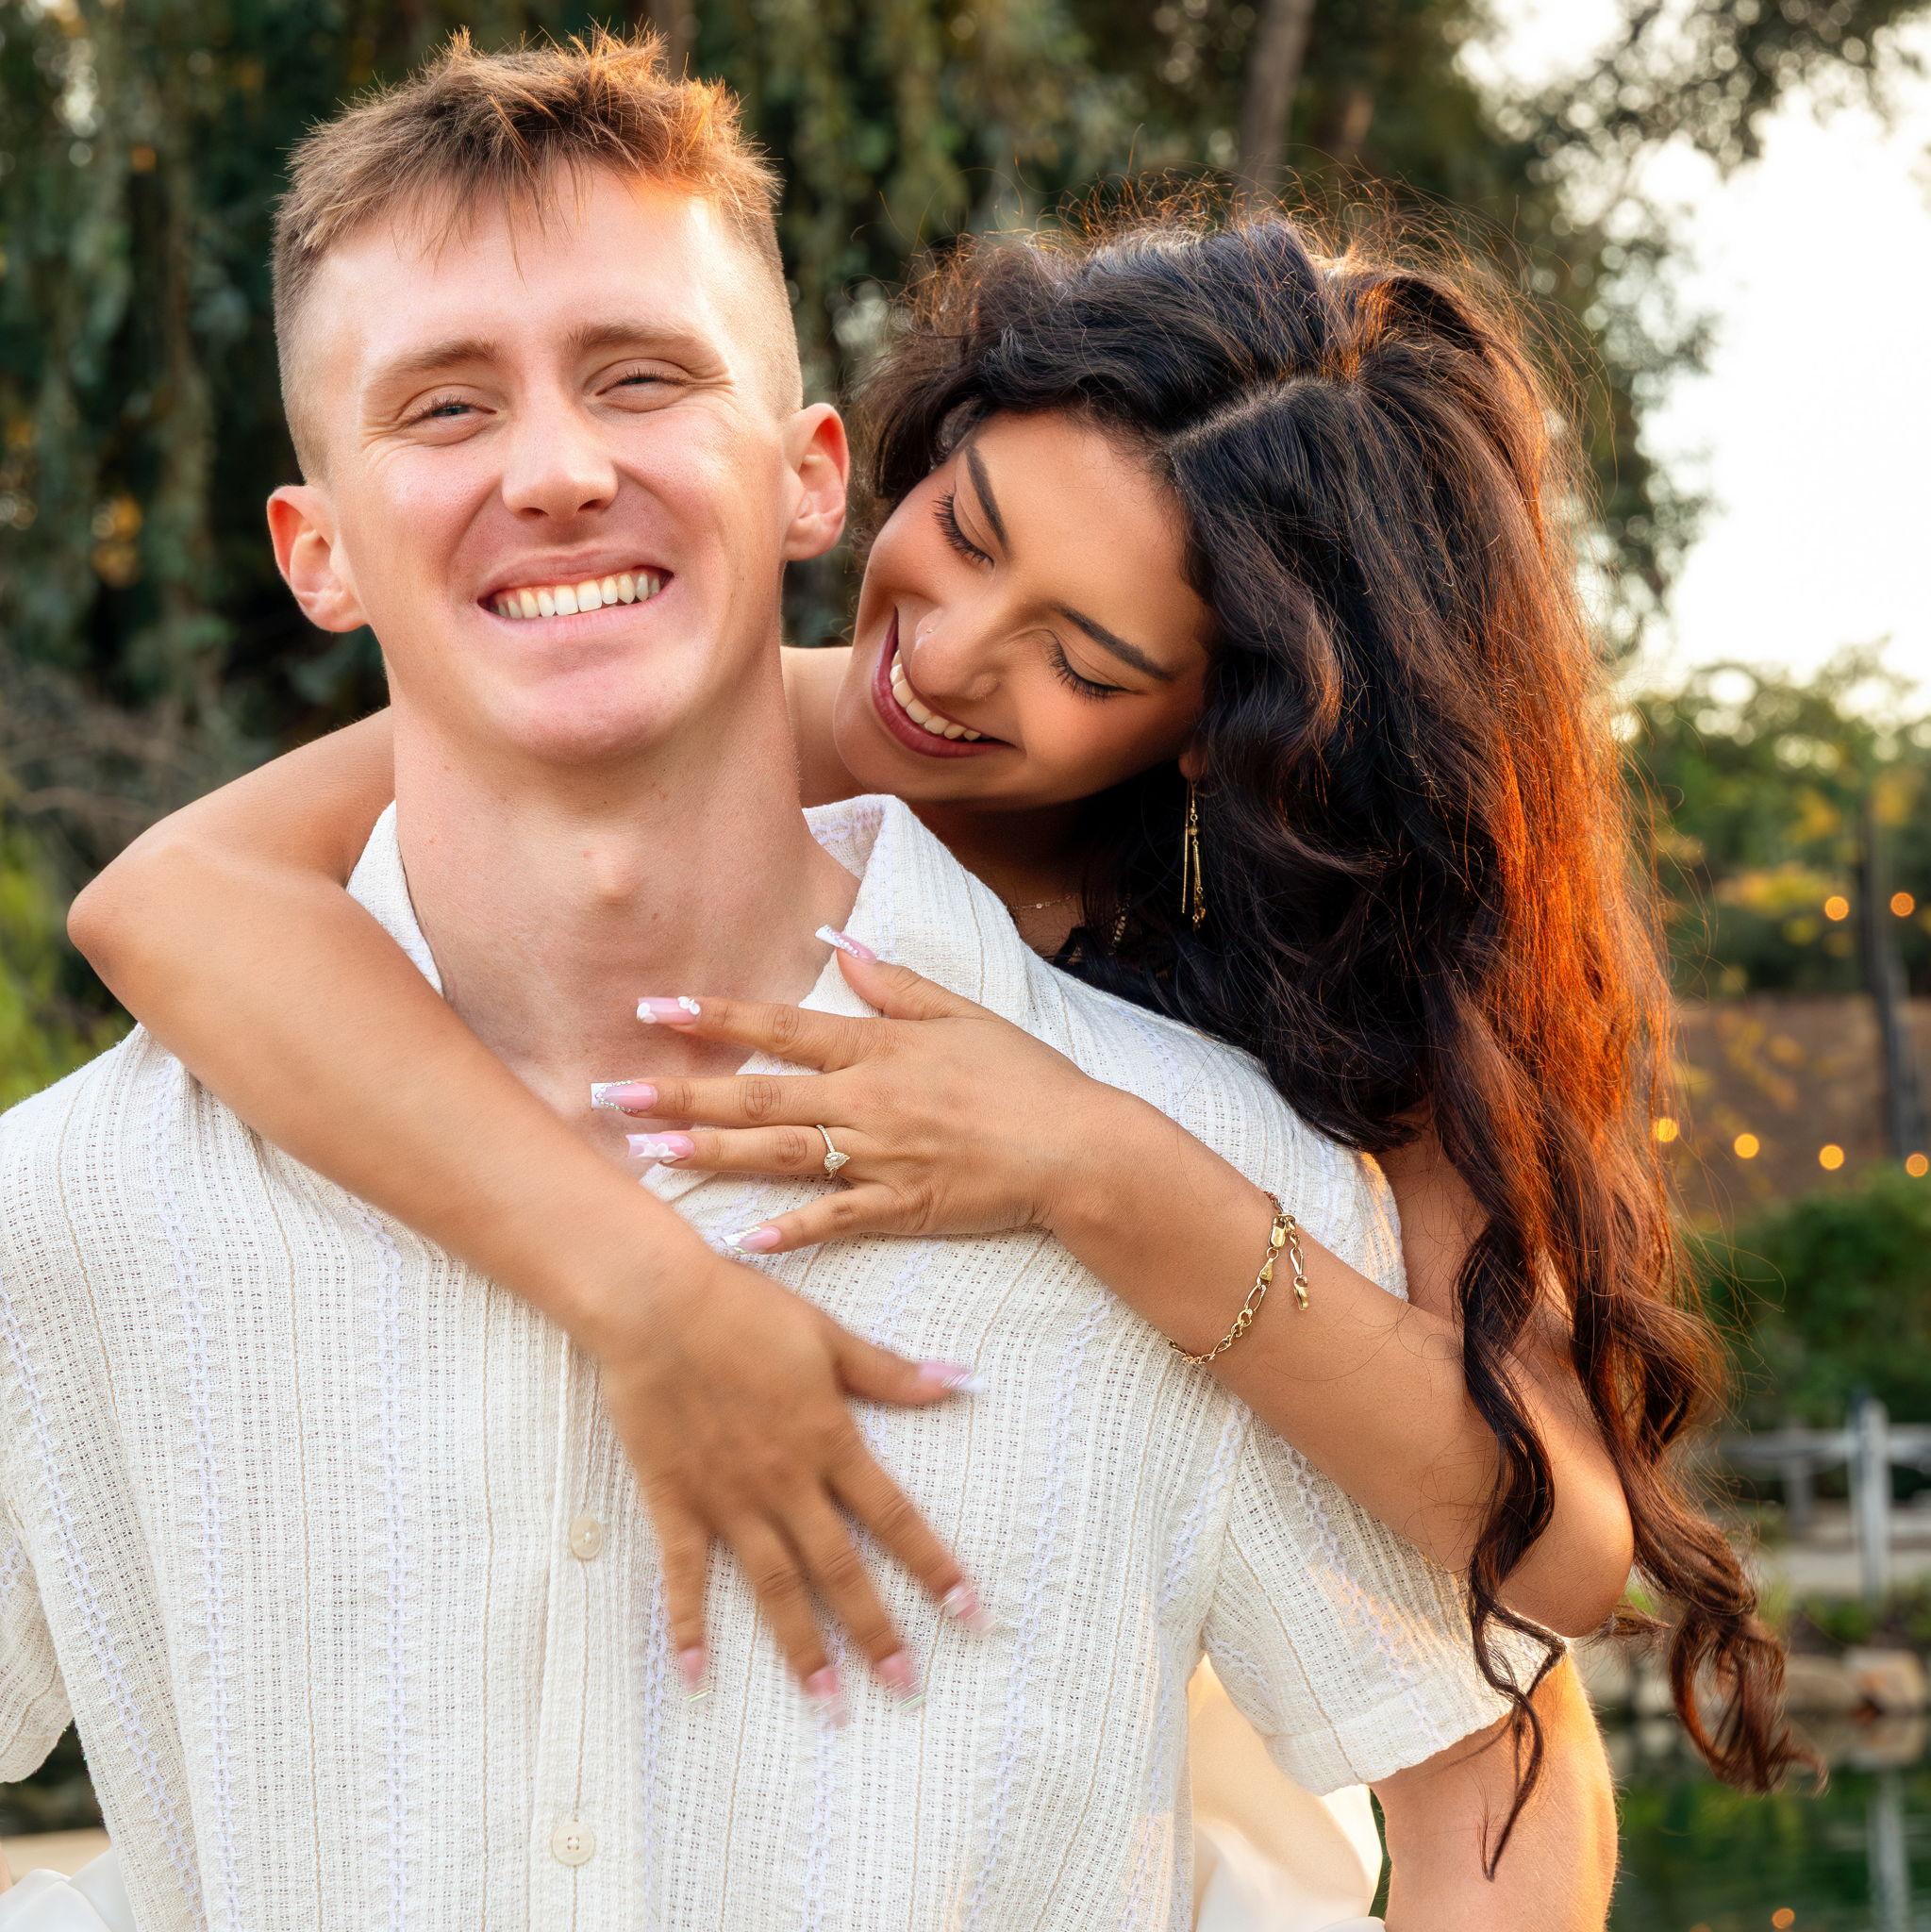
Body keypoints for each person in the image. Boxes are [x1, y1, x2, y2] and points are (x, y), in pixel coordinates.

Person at [66, 39, 1799, 1838]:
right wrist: (651, 1296)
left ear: (1227, 728)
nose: (948, 658)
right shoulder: (773, 711)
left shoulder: (1338, 962)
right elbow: (170, 900)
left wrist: (1091, 1164)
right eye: (963, 534)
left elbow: (1552, 1567)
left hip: (1166, 1727)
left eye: (1086, 662)